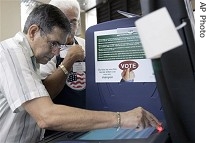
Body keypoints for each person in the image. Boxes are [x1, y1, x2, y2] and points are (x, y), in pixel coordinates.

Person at [0, 4, 161, 143]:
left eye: (60, 46)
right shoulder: (11, 54)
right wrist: (121, 118)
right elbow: (46, 116)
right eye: (54, 43)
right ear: (33, 31)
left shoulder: (31, 58)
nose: (56, 51)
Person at [40, 0, 86, 137]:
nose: (69, 27)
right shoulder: (47, 49)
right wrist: (68, 61)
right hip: (56, 128)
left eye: (73, 21)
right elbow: (45, 92)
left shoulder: (85, 44)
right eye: (64, 21)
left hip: (85, 121)